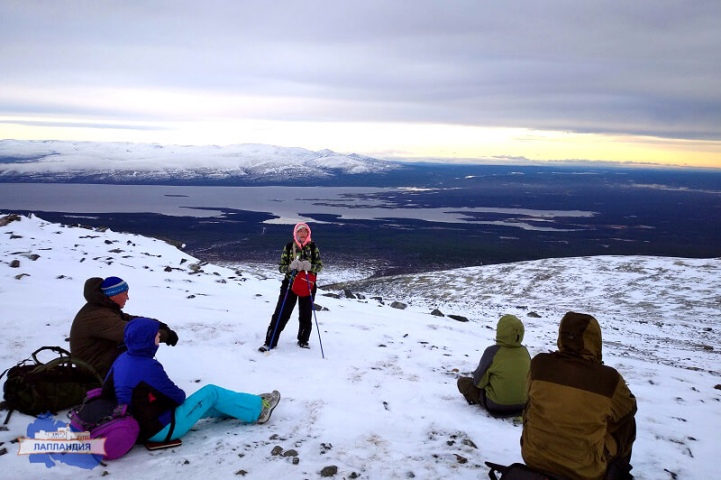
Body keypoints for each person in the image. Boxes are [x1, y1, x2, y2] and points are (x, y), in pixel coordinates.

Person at [102, 317, 280, 442]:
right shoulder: (148, 367)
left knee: (208, 401)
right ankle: (259, 409)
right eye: (156, 335)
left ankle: (241, 408)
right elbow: (177, 397)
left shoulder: (122, 358)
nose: (159, 337)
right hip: (161, 428)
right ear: (147, 340)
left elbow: (106, 391)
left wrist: (145, 400)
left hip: (138, 424)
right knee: (211, 392)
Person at [521, 312, 637, 480]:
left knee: (532, 404)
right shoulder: (609, 378)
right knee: (629, 423)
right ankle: (617, 472)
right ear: (595, 340)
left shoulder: (539, 363)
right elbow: (628, 410)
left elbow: (528, 394)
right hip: (584, 469)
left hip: (532, 456)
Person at [70, 276, 179, 378]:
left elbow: (129, 320)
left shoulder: (101, 308)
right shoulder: (98, 316)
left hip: (100, 358)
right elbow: (135, 334)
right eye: (125, 294)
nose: (127, 298)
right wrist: (166, 335)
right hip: (95, 368)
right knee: (140, 346)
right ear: (113, 295)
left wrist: (157, 324)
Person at [259, 222, 323, 352]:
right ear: (295, 233)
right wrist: (290, 267)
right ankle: (270, 341)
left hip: (307, 285)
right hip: (289, 284)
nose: (303, 233)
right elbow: (281, 268)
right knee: (281, 313)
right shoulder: (289, 247)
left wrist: (310, 267)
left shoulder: (313, 247)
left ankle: (303, 340)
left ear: (308, 233)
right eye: (300, 231)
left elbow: (320, 266)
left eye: (305, 231)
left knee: (306, 314)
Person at [456, 314, 530, 417]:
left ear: (500, 331)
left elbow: (478, 383)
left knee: (462, 382)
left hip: (496, 404)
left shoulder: (492, 352)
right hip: (523, 404)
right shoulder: (525, 352)